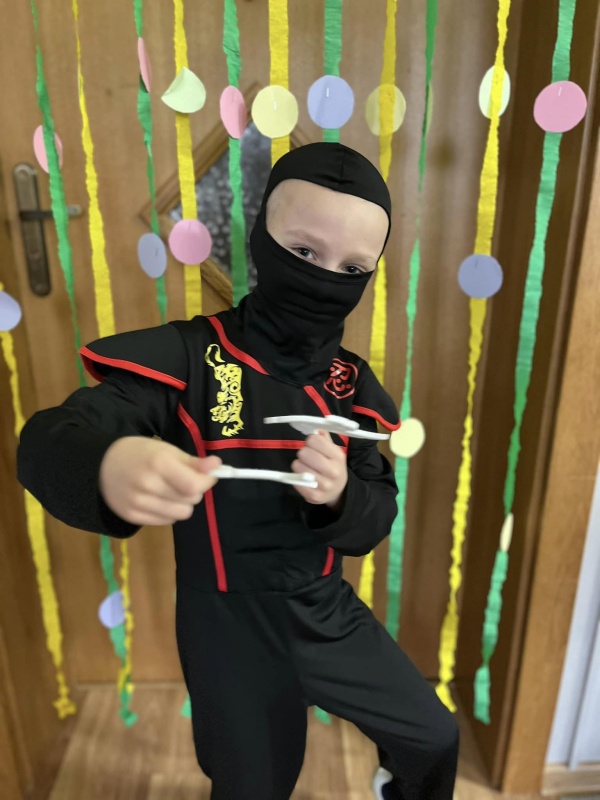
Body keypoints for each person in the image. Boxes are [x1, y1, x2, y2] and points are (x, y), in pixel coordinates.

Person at [17, 142, 458, 800]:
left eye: (353, 267)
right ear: (260, 239)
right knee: (253, 784)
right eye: (304, 251)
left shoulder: (352, 387)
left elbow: (376, 513)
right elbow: (52, 437)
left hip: (327, 613)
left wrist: (342, 497)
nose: (324, 279)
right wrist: (106, 464)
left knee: (434, 736)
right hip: (227, 628)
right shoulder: (190, 355)